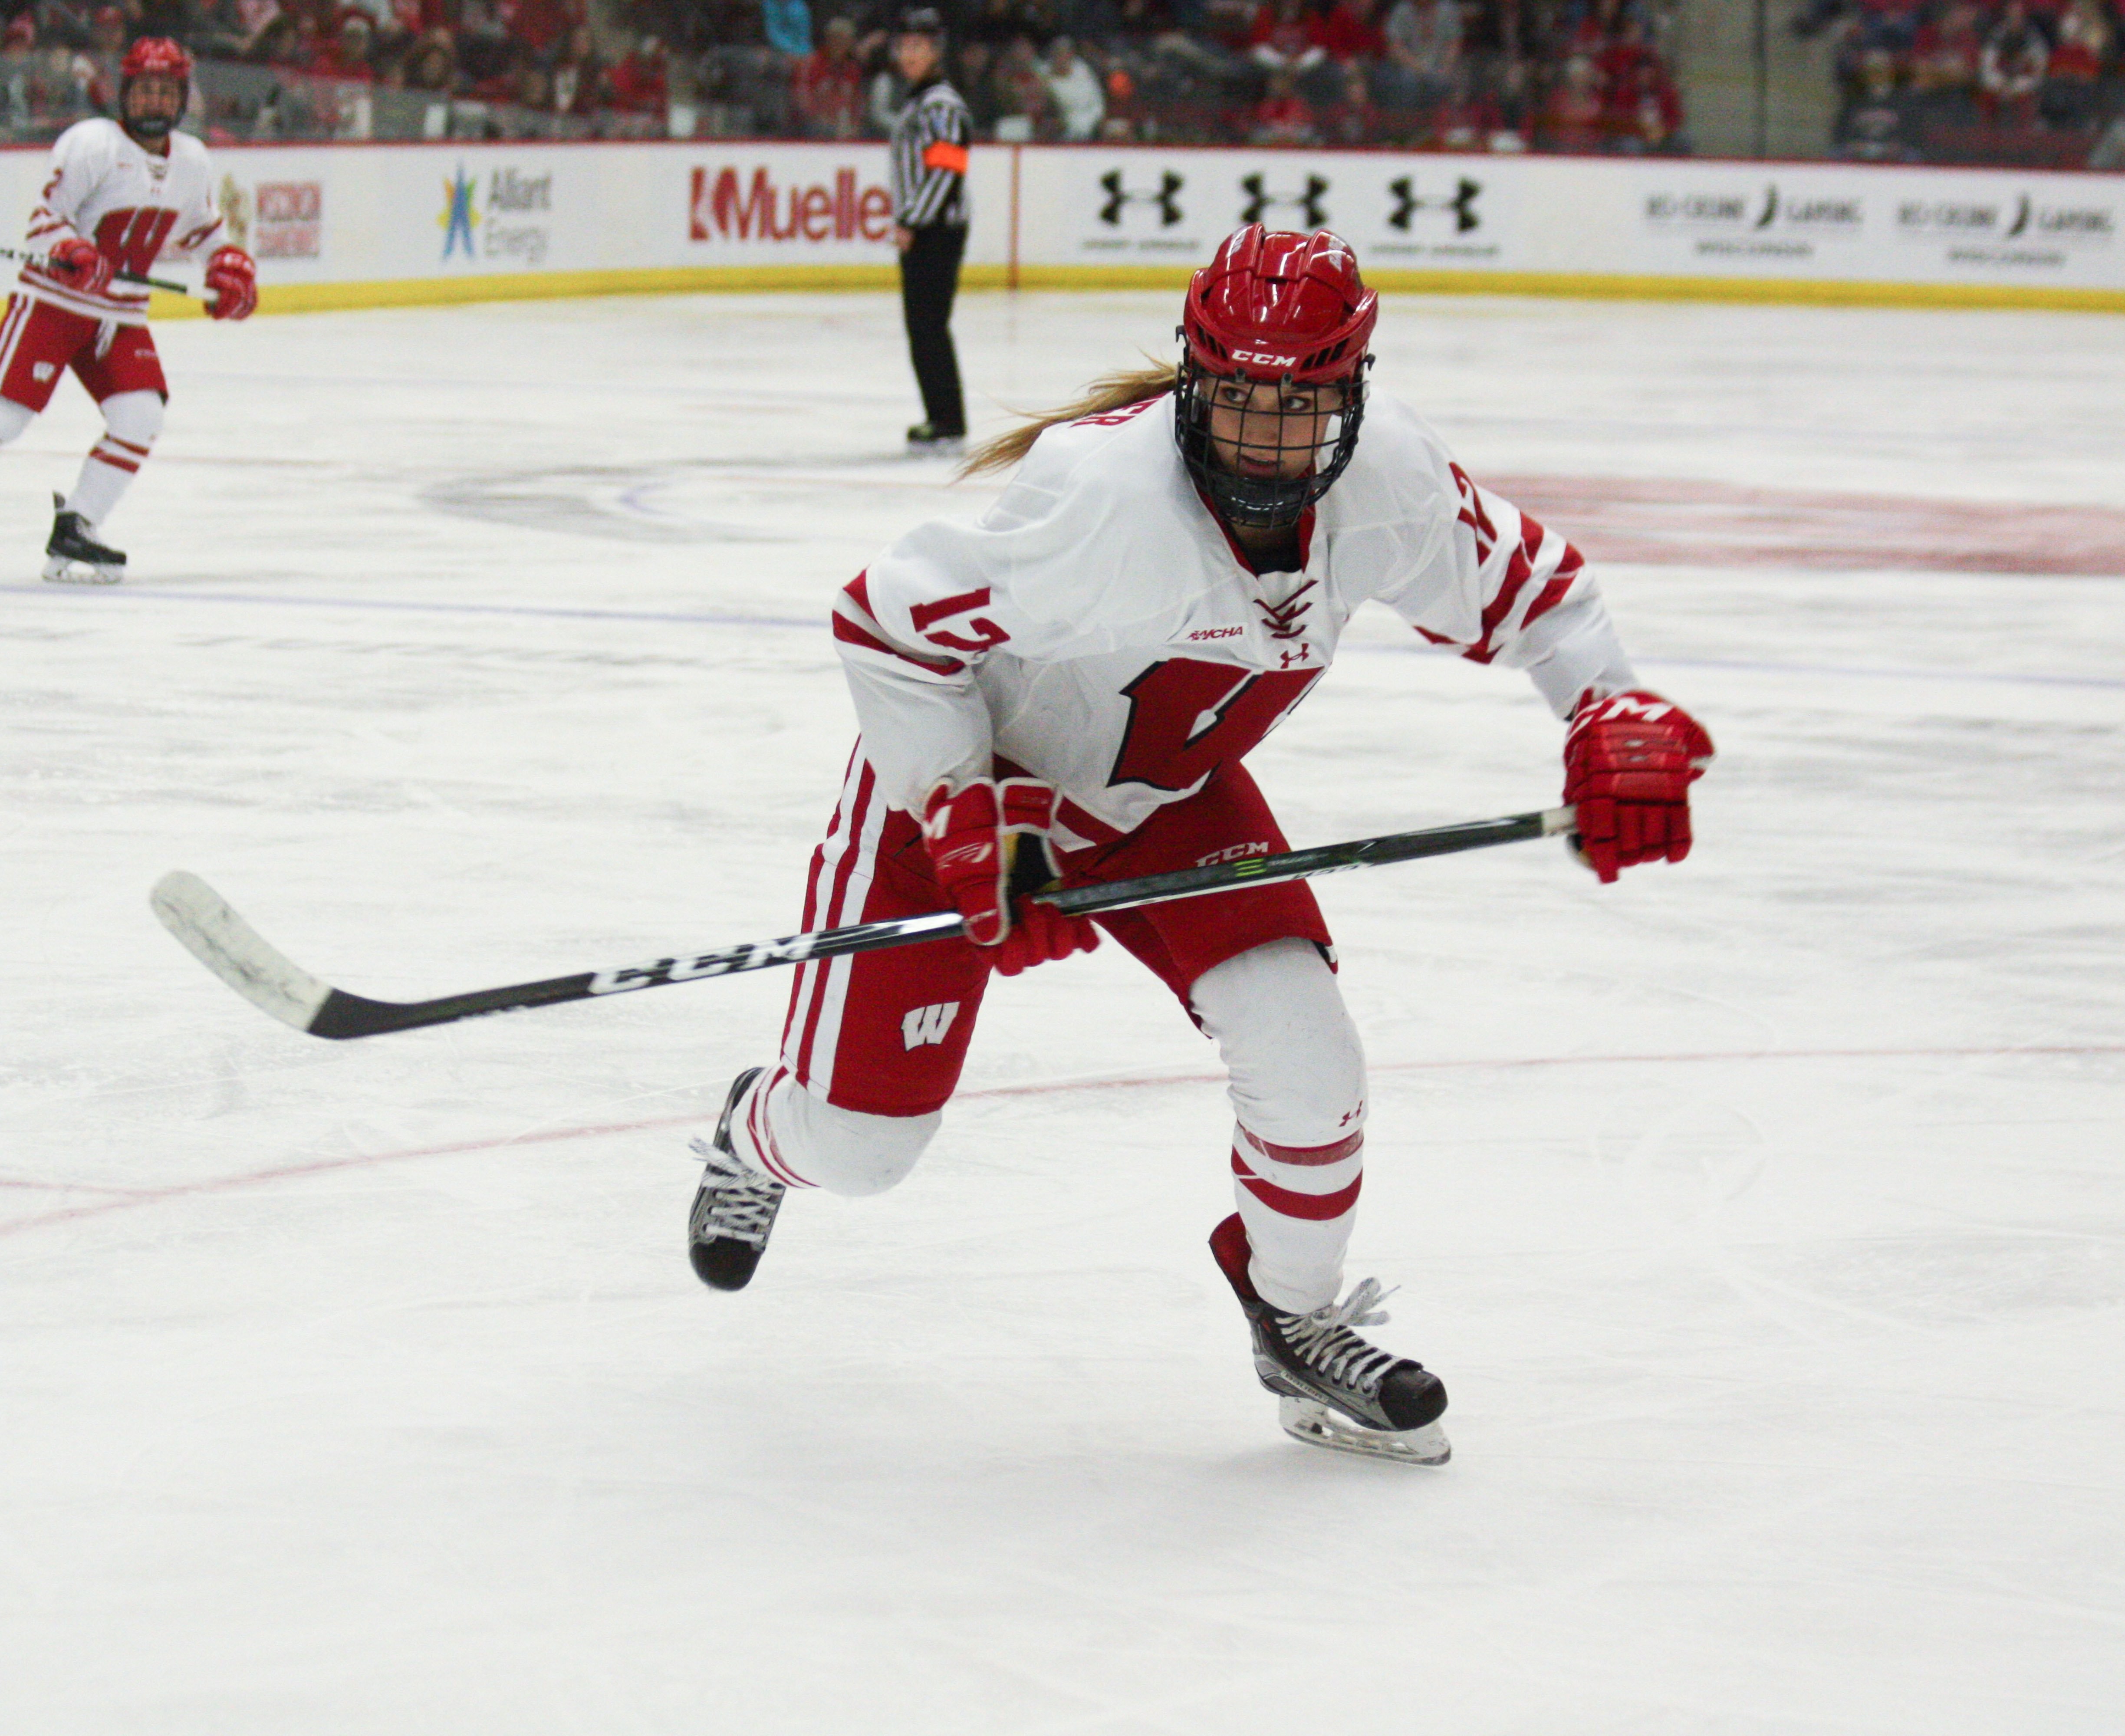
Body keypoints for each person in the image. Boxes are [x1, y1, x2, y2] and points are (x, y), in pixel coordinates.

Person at [681, 226, 1713, 1468]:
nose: (1262, 442)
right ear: (1190, 382)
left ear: (1354, 395)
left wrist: (1611, 707)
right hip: (974, 795)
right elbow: (886, 624)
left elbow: (1543, 599)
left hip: (1170, 797)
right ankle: (757, 1131)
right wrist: (964, 817)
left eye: (1299, 410)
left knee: (1307, 1049)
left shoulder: (1391, 482)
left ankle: (1295, 1316)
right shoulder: (1102, 503)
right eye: (1236, 403)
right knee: (860, 1151)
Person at [0, 38, 260, 585]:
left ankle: (77, 524)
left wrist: (231, 269)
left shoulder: (191, 160)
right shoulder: (92, 145)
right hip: (54, 304)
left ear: (183, 98)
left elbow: (206, 234)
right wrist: (73, 249)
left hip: (119, 316)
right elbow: (47, 220)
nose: (156, 101)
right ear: (125, 92)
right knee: (2, 419)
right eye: (146, 90)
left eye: (167, 91)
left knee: (141, 416)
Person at [886, 7, 971, 452]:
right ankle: (941, 416)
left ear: (937, 52)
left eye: (918, 47)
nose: (909, 55)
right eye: (904, 46)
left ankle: (947, 420)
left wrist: (912, 220)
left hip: (936, 231)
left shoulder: (940, 104)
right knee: (924, 327)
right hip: (928, 228)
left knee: (929, 326)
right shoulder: (921, 101)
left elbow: (947, 169)